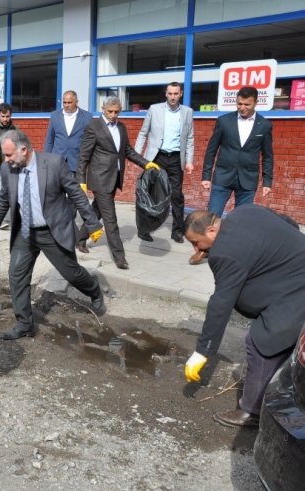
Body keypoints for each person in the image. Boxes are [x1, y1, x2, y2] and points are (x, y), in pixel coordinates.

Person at [182, 206, 305, 428]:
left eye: (195, 242)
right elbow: (289, 223)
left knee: (262, 342)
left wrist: (202, 352)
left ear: (211, 231)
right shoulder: (244, 212)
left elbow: (221, 303)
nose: (196, 248)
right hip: (296, 273)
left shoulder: (224, 253)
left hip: (298, 291)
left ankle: (251, 411)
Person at [0, 129, 106, 340]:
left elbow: (76, 193)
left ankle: (94, 289)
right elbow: (4, 198)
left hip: (52, 230)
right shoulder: (7, 169)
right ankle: (24, 323)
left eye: (9, 155)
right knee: (16, 275)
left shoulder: (54, 163)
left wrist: (92, 224)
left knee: (71, 273)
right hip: (25, 232)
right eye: (5, 155)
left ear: (24, 150)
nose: (6, 159)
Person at [193, 86, 274, 265]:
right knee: (212, 215)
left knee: (242, 219)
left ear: (255, 103)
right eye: (239, 104)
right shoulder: (224, 121)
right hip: (223, 175)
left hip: (248, 178)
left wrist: (267, 181)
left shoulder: (265, 125)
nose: (242, 107)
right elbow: (211, 149)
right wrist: (206, 175)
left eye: (247, 104)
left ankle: (235, 254)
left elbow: (268, 155)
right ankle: (205, 250)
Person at [76, 96, 159, 269]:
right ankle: (119, 257)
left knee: (97, 210)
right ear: (103, 109)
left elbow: (128, 151)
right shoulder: (93, 127)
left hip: (115, 178)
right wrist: (81, 181)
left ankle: (80, 239)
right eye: (110, 111)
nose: (114, 115)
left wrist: (146, 163)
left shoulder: (121, 127)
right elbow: (83, 157)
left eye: (117, 111)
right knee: (111, 219)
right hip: (100, 179)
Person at [134, 82, 195, 244]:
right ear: (166, 94)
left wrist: (189, 161)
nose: (173, 97)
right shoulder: (154, 109)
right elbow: (143, 132)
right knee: (150, 196)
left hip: (176, 158)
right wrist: (137, 156)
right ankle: (144, 229)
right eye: (170, 93)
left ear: (181, 93)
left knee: (176, 196)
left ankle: (177, 231)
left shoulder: (188, 112)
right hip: (156, 158)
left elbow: (189, 138)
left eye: (176, 93)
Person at [44, 90, 93, 177]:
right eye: (64, 102)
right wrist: (47, 159)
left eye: (69, 102)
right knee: (57, 190)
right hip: (57, 162)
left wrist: (87, 160)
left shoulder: (87, 117)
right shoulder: (55, 116)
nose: (66, 105)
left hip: (77, 163)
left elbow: (90, 141)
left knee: (77, 190)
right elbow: (49, 140)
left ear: (76, 102)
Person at [0, 102, 16, 201]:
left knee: (12, 192)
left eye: (7, 116)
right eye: (3, 116)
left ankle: (11, 216)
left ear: (11, 116)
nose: (5, 119)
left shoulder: (15, 130)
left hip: (12, 166)